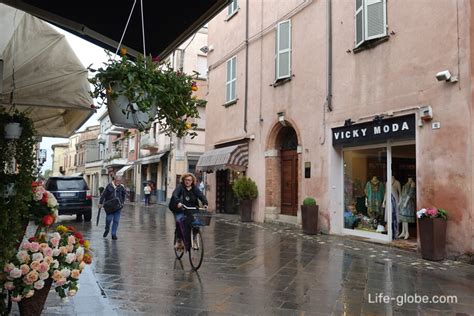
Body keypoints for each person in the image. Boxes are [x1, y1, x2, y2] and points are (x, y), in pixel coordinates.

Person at [170, 173, 208, 250]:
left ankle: (194, 239)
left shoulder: (194, 188)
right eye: (186, 180)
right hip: (179, 208)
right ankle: (179, 240)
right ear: (183, 180)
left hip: (191, 208)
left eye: (189, 180)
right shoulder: (180, 187)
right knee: (180, 221)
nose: (188, 182)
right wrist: (178, 202)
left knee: (196, 222)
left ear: (192, 181)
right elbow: (175, 195)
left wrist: (205, 203)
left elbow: (201, 195)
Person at [99, 176, 126, 240]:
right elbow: (103, 195)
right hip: (110, 207)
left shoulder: (121, 187)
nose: (118, 182)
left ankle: (113, 234)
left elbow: (123, 195)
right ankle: (107, 229)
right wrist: (100, 203)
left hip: (118, 207)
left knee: (116, 221)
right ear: (114, 180)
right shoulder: (109, 186)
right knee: (109, 219)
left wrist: (122, 202)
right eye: (117, 181)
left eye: (120, 181)